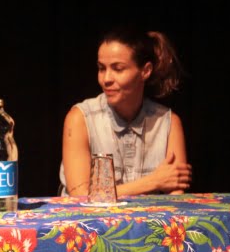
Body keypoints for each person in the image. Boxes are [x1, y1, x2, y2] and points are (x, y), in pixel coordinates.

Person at [60, 28, 192, 196]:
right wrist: (153, 182)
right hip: (90, 222)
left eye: (118, 69)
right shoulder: (80, 118)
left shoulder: (168, 123)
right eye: (101, 68)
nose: (106, 79)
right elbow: (80, 196)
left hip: (150, 222)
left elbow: (176, 195)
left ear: (145, 71)